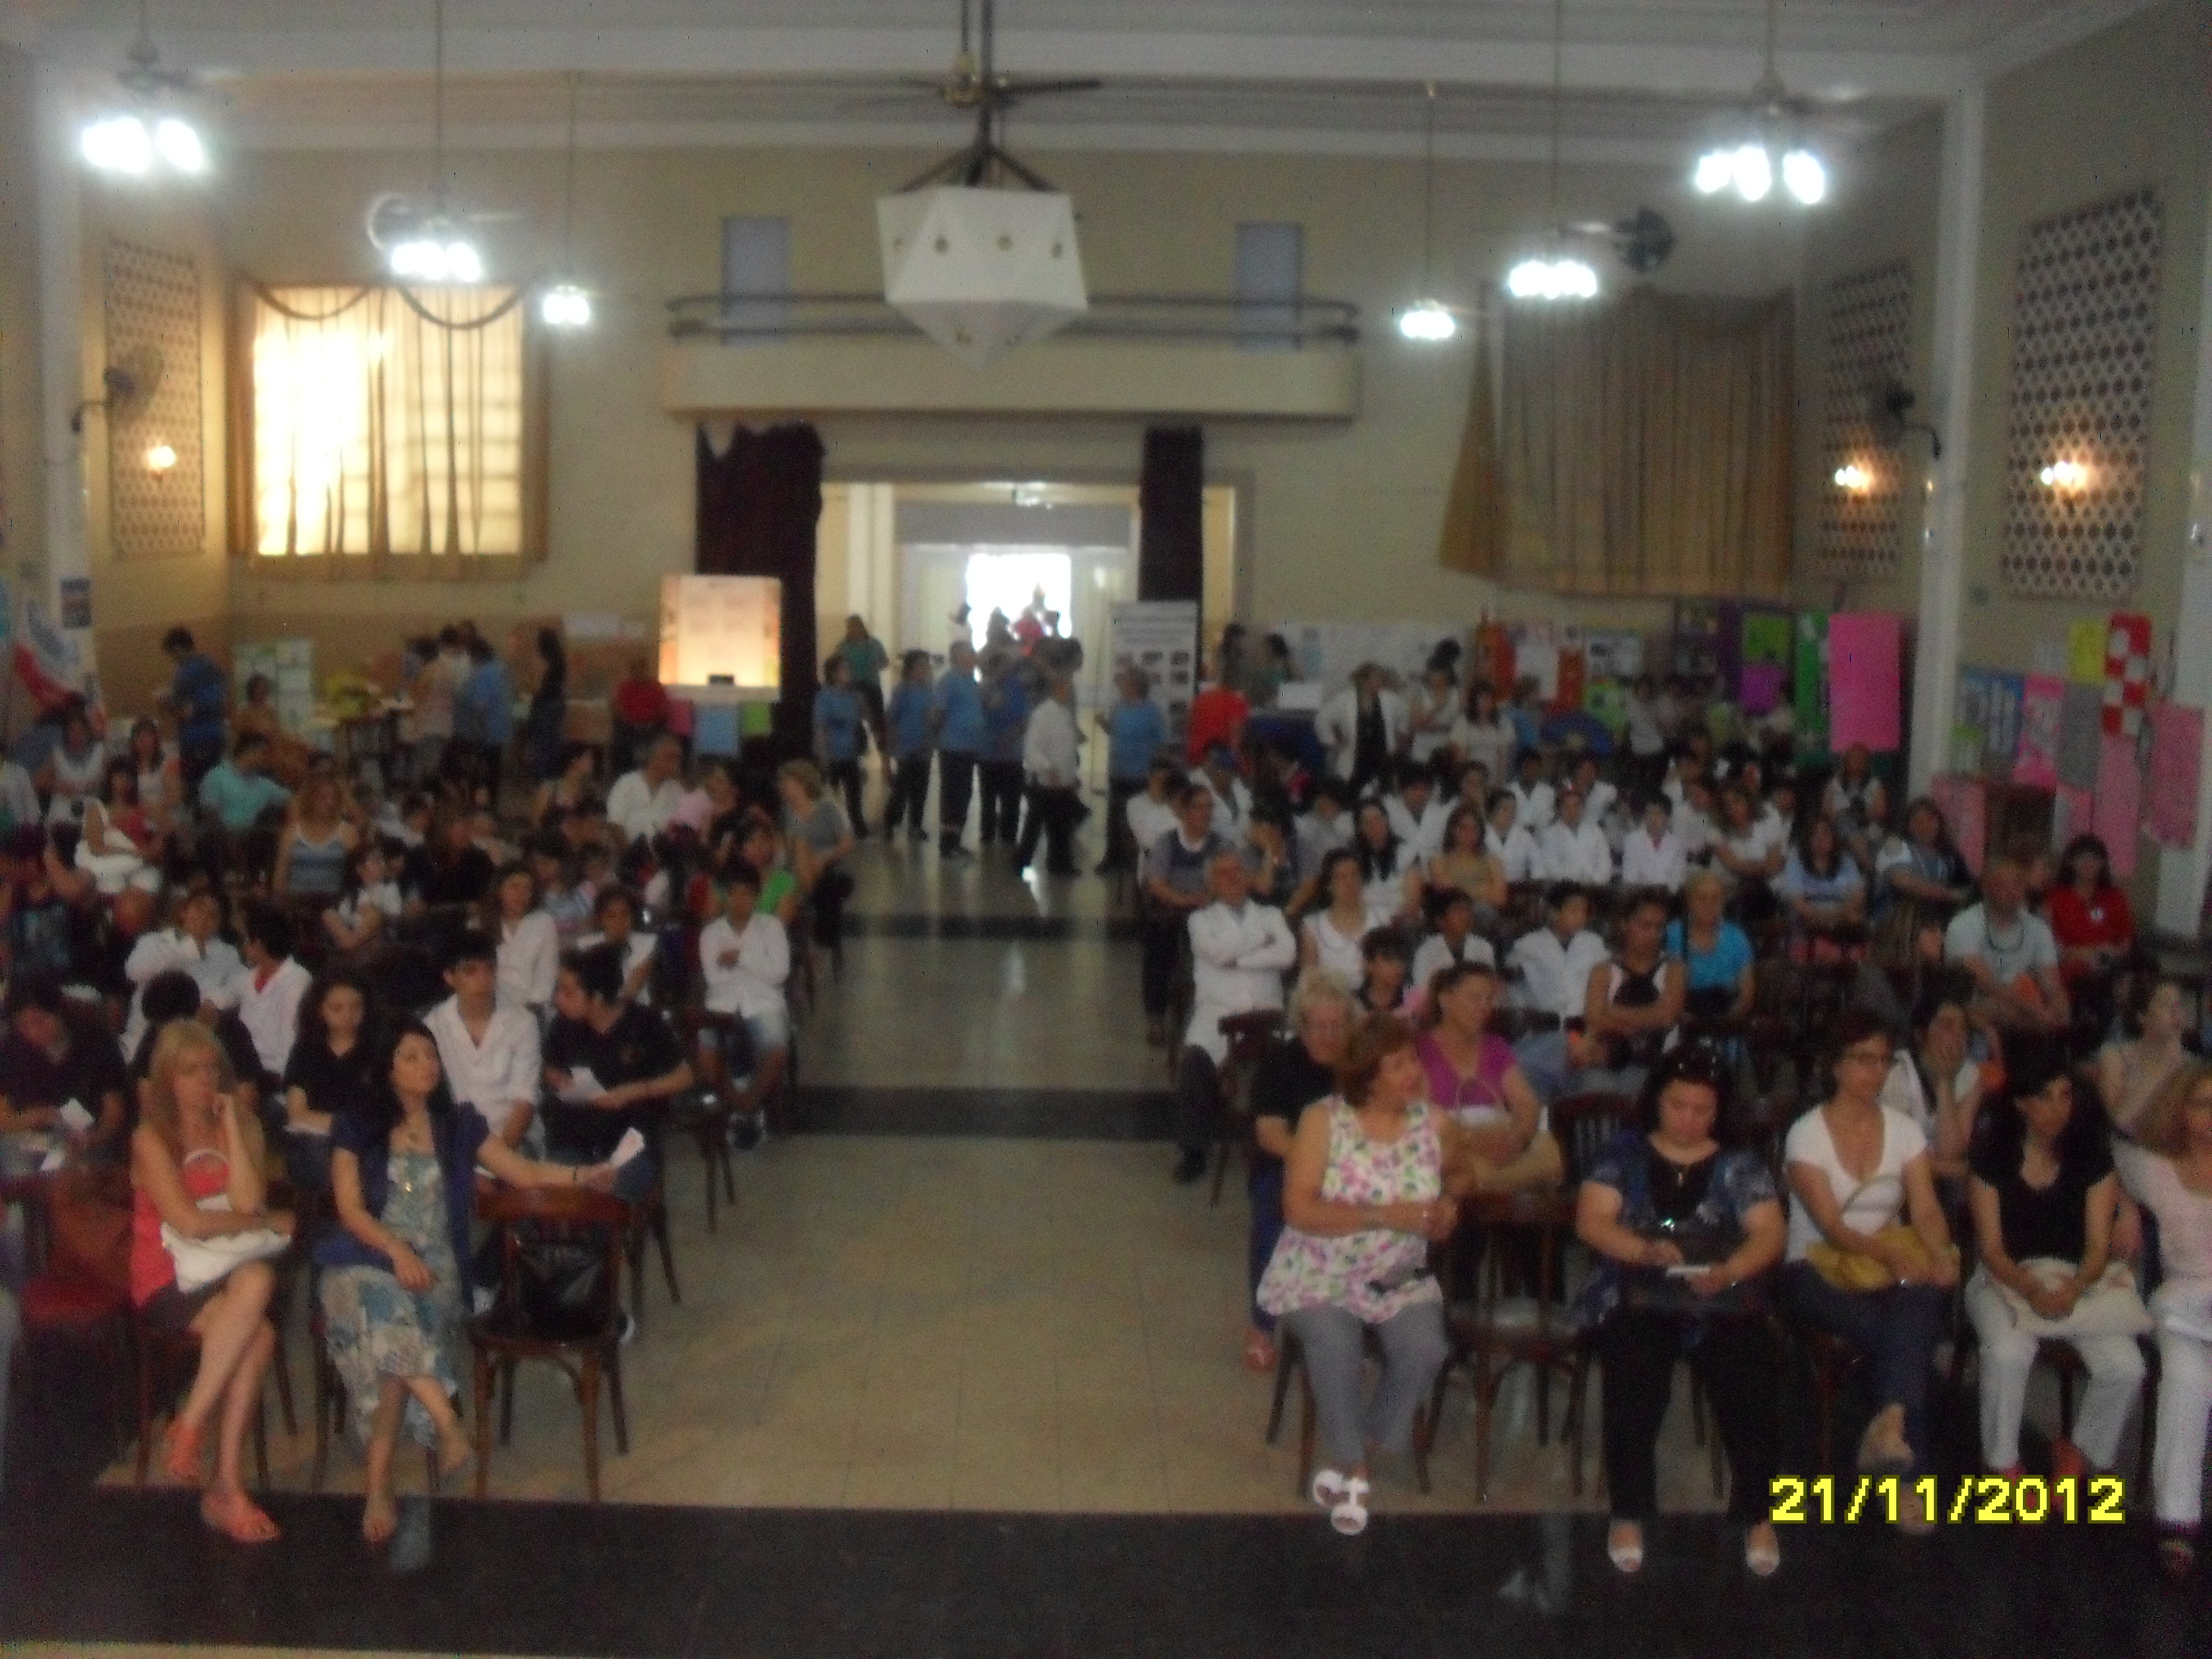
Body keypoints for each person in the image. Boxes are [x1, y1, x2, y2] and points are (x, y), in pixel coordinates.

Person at [322, 1021, 612, 1546]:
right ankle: (446, 1424)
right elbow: (350, 1210)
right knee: (381, 1302)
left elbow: (524, 1173)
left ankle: (381, 1485)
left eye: (431, 1055)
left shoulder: (457, 1125)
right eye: (411, 1057)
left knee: (391, 1333)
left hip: (433, 1269)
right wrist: (396, 1251)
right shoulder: (357, 1124)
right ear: (387, 1068)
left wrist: (583, 1176)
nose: (427, 1066)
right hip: (367, 1254)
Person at [1573, 1045, 1785, 1577]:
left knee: (1751, 1369)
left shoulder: (1739, 1162)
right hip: (1636, 1289)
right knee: (1633, 1366)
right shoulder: (1624, 1154)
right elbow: (1592, 1221)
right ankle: (1628, 1509)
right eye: (1678, 1107)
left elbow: (1769, 1231)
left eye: (1702, 1110)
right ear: (1657, 1102)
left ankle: (1757, 1511)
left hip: (1719, 1294)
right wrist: (1642, 1250)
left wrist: (1731, 1269)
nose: (1689, 1120)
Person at [1255, 1015, 1459, 1536]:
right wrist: (1382, 1216)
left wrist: (1451, 1203)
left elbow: (1462, 1171)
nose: (1413, 1072)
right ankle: (1356, 1469)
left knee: (1427, 1348)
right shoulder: (1323, 1121)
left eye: (1413, 1061)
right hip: (1320, 1272)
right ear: (1368, 1077)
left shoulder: (1434, 1123)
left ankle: (1364, 1442)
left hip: (1397, 1275)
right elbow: (1298, 1209)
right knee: (1335, 1343)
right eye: (1398, 1066)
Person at [1780, 1009, 1958, 1531]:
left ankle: (1889, 1428)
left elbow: (1926, 1210)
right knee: (1904, 1340)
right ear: (1835, 1066)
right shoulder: (1806, 1134)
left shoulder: (1903, 1130)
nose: (1876, 1072)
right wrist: (1891, 1256)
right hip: (1816, 1266)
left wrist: (1940, 1254)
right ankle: (1905, 1478)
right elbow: (1832, 1227)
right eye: (1863, 1060)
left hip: (1883, 1267)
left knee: (1923, 1297)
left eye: (1883, 1061)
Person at [129, 1020, 291, 1543]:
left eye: (211, 1069)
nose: (204, 1081)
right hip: (168, 1274)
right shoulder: (151, 1137)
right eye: (189, 1071)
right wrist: (263, 1222)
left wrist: (234, 1130)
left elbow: (247, 1200)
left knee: (256, 1285)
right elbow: (189, 1222)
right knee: (258, 1331)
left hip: (226, 1271)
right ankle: (225, 1487)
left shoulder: (241, 1124)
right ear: (167, 1080)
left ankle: (192, 1428)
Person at [1963, 1040, 2144, 1485]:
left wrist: (2075, 1288)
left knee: (2126, 1367)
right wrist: (2030, 1289)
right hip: (2005, 1277)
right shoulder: (1991, 1155)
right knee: (2008, 1351)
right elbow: (1991, 1249)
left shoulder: (2090, 1154)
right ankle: (2003, 1465)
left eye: (2065, 1095)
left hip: (2075, 1277)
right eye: (2045, 1097)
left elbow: (2098, 1246)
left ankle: (2081, 1453)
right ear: (2021, 1103)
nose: (2058, 1108)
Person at [2111, 1063, 2212, 1579]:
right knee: (2187, 1378)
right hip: (2183, 1302)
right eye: (2201, 1104)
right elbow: (2108, 1147)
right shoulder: (2155, 1168)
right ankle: (2177, 1520)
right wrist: (2127, 1208)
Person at [1244, 975, 1357, 1371]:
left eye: (1337, 1025)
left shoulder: (1359, 1065)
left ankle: (1357, 1322)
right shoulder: (1280, 1063)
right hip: (1288, 1167)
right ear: (1302, 1025)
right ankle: (1262, 1324)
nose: (1328, 1035)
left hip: (1354, 1170)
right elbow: (1270, 1134)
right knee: (1275, 1218)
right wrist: (1317, 1163)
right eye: (1318, 1026)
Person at [1173, 848, 1297, 1184]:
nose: (1232, 878)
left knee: (1294, 1060)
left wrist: (1238, 959)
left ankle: (1286, 1145)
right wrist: (1260, 940)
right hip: (1218, 1015)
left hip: (1267, 1015)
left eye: (1238, 871)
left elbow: (1287, 955)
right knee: (1195, 1063)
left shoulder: (1271, 914)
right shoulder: (1200, 921)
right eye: (1223, 873)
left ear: (1249, 877)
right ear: (1211, 883)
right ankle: (1194, 1152)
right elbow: (1216, 953)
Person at [542, 945, 692, 1202]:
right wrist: (554, 1077)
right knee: (553, 1188)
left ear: (597, 997)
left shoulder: (644, 1023)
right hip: (575, 1137)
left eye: (568, 992)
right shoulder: (562, 1026)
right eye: (558, 990)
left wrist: (636, 1091)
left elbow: (685, 1076)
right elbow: (549, 1066)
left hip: (630, 1143)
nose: (559, 999)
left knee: (605, 1193)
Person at [1417, 963, 1557, 1193]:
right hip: (1452, 1144)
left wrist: (1518, 1139)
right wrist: (1473, 1139)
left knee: (1549, 1156)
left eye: (1489, 999)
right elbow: (1420, 1114)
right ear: (1446, 1000)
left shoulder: (1496, 1047)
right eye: (1475, 998)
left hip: (1501, 1140)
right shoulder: (1420, 1050)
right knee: (1459, 1174)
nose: (1484, 1007)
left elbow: (1526, 1103)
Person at [424, 931, 540, 1149]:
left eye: (489, 970)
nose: (483, 980)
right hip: (458, 1142)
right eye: (471, 971)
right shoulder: (434, 1025)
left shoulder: (523, 1022)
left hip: (515, 1141)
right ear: (449, 977)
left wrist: (500, 1160)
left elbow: (524, 1102)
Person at [697, 861, 792, 1122]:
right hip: (722, 1005)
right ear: (725, 896)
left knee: (776, 1049)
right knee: (707, 1054)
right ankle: (740, 1105)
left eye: (747, 894)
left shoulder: (772, 927)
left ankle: (746, 1104)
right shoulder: (711, 934)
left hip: (763, 1002)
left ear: (757, 896)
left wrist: (740, 958)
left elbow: (780, 973)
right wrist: (758, 967)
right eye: (734, 894)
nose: (740, 901)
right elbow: (714, 978)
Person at [0, 973, 130, 1159]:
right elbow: (4, 1116)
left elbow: (114, 1111)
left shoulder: (96, 1043)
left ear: (58, 1011)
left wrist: (93, 1137)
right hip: (30, 1142)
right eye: (24, 1026)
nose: (34, 1032)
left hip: (89, 1140)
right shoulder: (12, 1048)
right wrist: (34, 1118)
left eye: (40, 1021)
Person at [1878, 979, 1995, 1180]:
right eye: (1947, 1027)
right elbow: (1898, 1158)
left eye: (1964, 1028)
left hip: (1942, 1179)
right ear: (1920, 1034)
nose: (1958, 1036)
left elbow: (1951, 1152)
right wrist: (1964, 1171)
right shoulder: (1894, 1075)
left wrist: (1945, 1082)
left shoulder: (1970, 1075)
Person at [1574, 890, 1685, 1097]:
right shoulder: (1603, 971)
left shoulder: (1674, 969)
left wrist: (1611, 1012)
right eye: (1645, 926)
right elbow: (1594, 1019)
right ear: (1624, 925)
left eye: (1659, 928)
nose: (1653, 935)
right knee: (1594, 1088)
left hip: (1657, 1065)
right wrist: (1648, 1017)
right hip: (1606, 1061)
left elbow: (1666, 1016)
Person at [1506, 883, 1611, 1101]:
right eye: (1573, 910)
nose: (1579, 917)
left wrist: (1591, 1036)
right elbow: (1514, 996)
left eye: (1583, 911)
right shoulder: (1528, 946)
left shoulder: (1594, 944)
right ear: (1554, 911)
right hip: (1545, 1034)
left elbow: (1606, 993)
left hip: (1587, 1033)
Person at [1944, 855, 2069, 1036]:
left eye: (2017, 885)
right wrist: (2034, 1010)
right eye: (2002, 885)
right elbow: (1986, 984)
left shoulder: (2038, 928)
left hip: (2026, 1005)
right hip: (1976, 1006)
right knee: (1998, 1008)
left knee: (2063, 1009)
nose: (2011, 892)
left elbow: (2051, 983)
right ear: (1986, 887)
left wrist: (2059, 1005)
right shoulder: (1963, 925)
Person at [1140, 786, 1225, 1048]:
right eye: (1199, 808)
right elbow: (1156, 883)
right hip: (1172, 910)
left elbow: (1229, 877)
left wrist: (1209, 897)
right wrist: (1186, 900)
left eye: (1209, 808)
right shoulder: (1167, 843)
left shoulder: (1220, 845)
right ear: (1185, 812)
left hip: (1209, 912)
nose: (1205, 814)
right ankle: (1156, 1017)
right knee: (1158, 951)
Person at [280, 969, 377, 1192]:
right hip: (316, 1140)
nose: (348, 1015)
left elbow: (378, 1115)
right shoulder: (306, 1051)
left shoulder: (378, 1049)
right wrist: (346, 1126)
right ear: (320, 1010)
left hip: (366, 1143)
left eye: (356, 1007)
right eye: (337, 1008)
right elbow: (297, 1112)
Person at [122, 887, 244, 1057]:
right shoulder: (154, 941)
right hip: (147, 1035)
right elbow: (134, 971)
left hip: (198, 1035)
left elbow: (240, 985)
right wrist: (188, 948)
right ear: (184, 912)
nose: (204, 918)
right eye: (199, 909)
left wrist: (215, 1002)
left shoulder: (228, 953)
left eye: (213, 915)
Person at [2097, 977, 2194, 1137]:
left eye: (2179, 1004)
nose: (2175, 1012)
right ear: (2142, 1016)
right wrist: (2164, 1064)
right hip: (2127, 1144)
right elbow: (2117, 1122)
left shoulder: (2193, 1065)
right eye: (2165, 1004)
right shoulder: (2115, 1056)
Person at [233, 904, 312, 1094]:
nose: (244, 946)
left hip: (275, 1075)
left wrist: (284, 1084)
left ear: (259, 944)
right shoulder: (248, 978)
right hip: (244, 1068)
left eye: (247, 940)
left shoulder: (298, 980)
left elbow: (291, 1037)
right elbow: (223, 996)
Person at [2046, 832, 2136, 996]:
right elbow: (2053, 947)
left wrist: (2110, 954)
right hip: (2072, 966)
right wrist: (2091, 953)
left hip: (2112, 964)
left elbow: (2125, 941)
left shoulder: (2115, 897)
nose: (2089, 863)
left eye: (2095, 858)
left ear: (2103, 863)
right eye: (2082, 858)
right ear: (2071, 862)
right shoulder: (2056, 898)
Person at [1101, 667, 1169, 874]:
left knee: (1136, 818)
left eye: (1125, 683)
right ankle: (1112, 859)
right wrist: (1103, 724)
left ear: (1135, 686)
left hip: (1140, 775)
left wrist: (1156, 772)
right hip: (1117, 772)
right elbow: (1113, 730)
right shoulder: (1118, 708)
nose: (1121, 687)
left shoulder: (1152, 712)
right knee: (1114, 817)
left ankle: (1134, 861)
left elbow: (1161, 744)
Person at [1666, 869, 1755, 1022]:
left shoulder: (1736, 937)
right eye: (1702, 898)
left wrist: (1721, 1024)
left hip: (1727, 1022)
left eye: (1716, 898)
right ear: (1689, 901)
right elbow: (1666, 992)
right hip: (1683, 1021)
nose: (1709, 905)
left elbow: (1746, 996)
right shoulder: (1673, 935)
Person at [1015, 676, 1081, 877]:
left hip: (1063, 779)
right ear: (1057, 689)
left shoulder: (1065, 713)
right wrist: (1047, 769)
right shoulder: (1043, 714)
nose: (1070, 691)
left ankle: (1059, 864)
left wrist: (1071, 775)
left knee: (1059, 824)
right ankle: (1024, 861)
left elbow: (1067, 747)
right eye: (1067, 687)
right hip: (1047, 780)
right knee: (1037, 824)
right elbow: (1032, 748)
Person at [1298, 849, 1390, 989]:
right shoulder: (1312, 926)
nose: (1350, 883)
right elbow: (1309, 979)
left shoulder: (1382, 919)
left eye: (1354, 875)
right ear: (1329, 885)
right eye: (1341, 877)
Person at [1314, 664, 1407, 800]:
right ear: (1363, 680)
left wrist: (1400, 740)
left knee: (1384, 797)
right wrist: (1333, 743)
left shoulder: (1390, 699)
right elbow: (1322, 719)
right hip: (1355, 759)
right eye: (1375, 678)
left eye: (1380, 679)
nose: (1379, 682)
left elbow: (1404, 717)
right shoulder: (1344, 700)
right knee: (1350, 796)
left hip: (1382, 758)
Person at [1875, 797, 1975, 921]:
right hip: (1898, 922)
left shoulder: (1950, 856)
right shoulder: (1896, 846)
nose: (1925, 826)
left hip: (1938, 923)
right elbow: (1903, 881)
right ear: (1908, 826)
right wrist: (1950, 895)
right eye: (1918, 822)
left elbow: (1967, 887)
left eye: (1930, 820)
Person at [1778, 816, 1866, 954]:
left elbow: (1858, 895)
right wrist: (1824, 917)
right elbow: (1797, 902)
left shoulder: (1846, 860)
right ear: (1808, 839)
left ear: (1833, 837)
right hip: (1810, 915)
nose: (1821, 839)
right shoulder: (1796, 861)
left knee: (1857, 921)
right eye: (1815, 835)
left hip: (1842, 913)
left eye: (1825, 833)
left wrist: (1838, 914)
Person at [932, 641, 985, 860]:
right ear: (957, 658)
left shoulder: (971, 681)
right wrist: (936, 736)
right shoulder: (949, 681)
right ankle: (948, 845)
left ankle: (956, 840)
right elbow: (938, 712)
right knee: (953, 795)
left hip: (969, 746)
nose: (974, 657)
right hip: (953, 746)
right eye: (969, 654)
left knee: (963, 793)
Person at [76, 758, 161, 896]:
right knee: (110, 885)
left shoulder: (144, 807)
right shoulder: (97, 809)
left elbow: (161, 834)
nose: (124, 781)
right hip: (110, 863)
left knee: (148, 885)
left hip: (142, 865)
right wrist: (133, 852)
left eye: (128, 777)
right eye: (119, 776)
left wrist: (153, 848)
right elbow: (97, 848)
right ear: (110, 779)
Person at [159, 626, 229, 790]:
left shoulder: (192, 670)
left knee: (200, 788)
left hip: (199, 739)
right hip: (209, 737)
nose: (173, 659)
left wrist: (169, 703)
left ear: (178, 648)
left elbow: (189, 709)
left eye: (172, 654)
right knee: (211, 786)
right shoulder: (208, 666)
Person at [487, 860, 557, 1020]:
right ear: (499, 890)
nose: (521, 895)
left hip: (533, 1009)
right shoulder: (481, 924)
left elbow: (546, 974)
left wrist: (530, 1010)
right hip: (492, 1008)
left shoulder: (544, 922)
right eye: (514, 887)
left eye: (527, 889)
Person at [272, 772, 357, 901]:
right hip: (296, 903)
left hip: (334, 903)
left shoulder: (348, 833)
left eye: (333, 798)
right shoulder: (292, 833)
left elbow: (355, 877)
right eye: (322, 798)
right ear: (310, 799)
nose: (329, 803)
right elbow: (279, 879)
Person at [884, 651, 937, 847]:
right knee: (902, 787)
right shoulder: (902, 691)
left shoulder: (929, 690)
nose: (925, 670)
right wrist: (891, 747)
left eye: (926, 666)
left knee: (921, 787)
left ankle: (916, 824)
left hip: (925, 744)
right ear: (911, 669)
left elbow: (934, 716)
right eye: (921, 666)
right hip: (906, 744)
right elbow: (892, 717)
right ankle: (891, 821)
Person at [453, 637, 516, 801]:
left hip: (485, 732)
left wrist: (479, 731)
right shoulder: (499, 668)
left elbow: (481, 706)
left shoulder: (484, 674)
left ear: (475, 655)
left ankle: (479, 803)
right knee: (493, 770)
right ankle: (491, 802)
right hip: (499, 729)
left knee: (480, 772)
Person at [977, 656, 1030, 848]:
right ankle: (987, 834)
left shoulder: (1016, 688)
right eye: (1000, 667)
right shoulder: (983, 688)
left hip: (1012, 754)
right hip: (988, 752)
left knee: (1012, 798)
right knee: (988, 798)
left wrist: (1011, 738)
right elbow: (978, 713)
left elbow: (1024, 718)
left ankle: (1009, 835)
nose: (1004, 671)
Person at [577, 884, 658, 1008]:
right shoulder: (584, 947)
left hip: (636, 1010)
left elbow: (632, 989)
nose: (619, 922)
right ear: (600, 919)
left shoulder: (649, 944)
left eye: (625, 914)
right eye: (611, 916)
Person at [813, 654, 868, 836]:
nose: (849, 673)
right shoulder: (825, 697)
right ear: (834, 673)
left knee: (854, 793)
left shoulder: (853, 697)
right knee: (829, 795)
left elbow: (860, 721)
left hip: (850, 753)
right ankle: (828, 829)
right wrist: (823, 756)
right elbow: (820, 727)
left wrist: (861, 704)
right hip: (832, 753)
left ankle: (857, 825)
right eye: (845, 670)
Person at [1408, 888, 1496, 1000]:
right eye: (1459, 911)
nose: (1466, 916)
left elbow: (1490, 985)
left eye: (1468, 910)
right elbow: (1423, 990)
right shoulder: (1426, 952)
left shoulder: (1483, 947)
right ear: (1441, 920)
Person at [197, 733, 291, 837]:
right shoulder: (216, 777)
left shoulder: (264, 784)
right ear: (250, 751)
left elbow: (291, 800)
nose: (265, 759)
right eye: (263, 754)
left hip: (250, 838)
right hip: (219, 838)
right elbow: (209, 813)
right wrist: (224, 838)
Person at [325, 839, 403, 958]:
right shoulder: (347, 897)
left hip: (382, 949)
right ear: (360, 868)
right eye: (376, 860)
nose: (382, 864)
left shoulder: (389, 887)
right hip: (349, 950)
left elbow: (396, 917)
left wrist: (379, 916)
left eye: (382, 860)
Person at [606, 735, 686, 848]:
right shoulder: (627, 783)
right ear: (654, 757)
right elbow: (614, 823)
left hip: (664, 854)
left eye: (677, 758)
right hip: (628, 853)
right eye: (670, 757)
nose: (675, 763)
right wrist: (632, 853)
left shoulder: (677, 790)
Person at [1425, 804, 1505, 913]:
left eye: (1474, 828)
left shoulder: (1492, 861)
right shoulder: (1439, 860)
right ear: (1452, 830)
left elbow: (1500, 898)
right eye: (1463, 828)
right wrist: (1484, 889)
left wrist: (1462, 888)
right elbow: (1448, 892)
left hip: (1486, 913)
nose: (1469, 833)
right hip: (1453, 914)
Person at [1349, 800, 1420, 922]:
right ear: (1360, 828)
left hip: (1402, 922)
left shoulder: (1407, 852)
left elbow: (1413, 902)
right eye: (1367, 822)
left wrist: (1391, 923)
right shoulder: (1352, 859)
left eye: (1378, 819)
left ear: (1387, 820)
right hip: (1365, 922)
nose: (1374, 826)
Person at [1824, 744, 1890, 871]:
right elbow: (1825, 815)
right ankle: (1871, 868)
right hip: (1840, 827)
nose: (1857, 762)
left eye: (1861, 759)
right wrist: (1844, 812)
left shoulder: (1874, 785)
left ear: (1866, 763)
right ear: (1846, 762)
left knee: (1866, 837)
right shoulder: (1834, 784)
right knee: (1847, 826)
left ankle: (1869, 868)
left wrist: (1863, 813)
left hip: (1867, 827)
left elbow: (1882, 813)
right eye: (1853, 758)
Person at [1538, 782, 1614, 885]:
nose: (1572, 811)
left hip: (1595, 887)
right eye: (1567, 807)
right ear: (1559, 809)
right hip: (1565, 888)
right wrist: (1577, 880)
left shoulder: (1596, 831)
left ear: (1582, 808)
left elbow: (1605, 863)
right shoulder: (1550, 834)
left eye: (1576, 806)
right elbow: (1552, 868)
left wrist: (1594, 881)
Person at [836, 616, 891, 750]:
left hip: (872, 685)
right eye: (851, 628)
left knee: (878, 722)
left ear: (862, 627)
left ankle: (884, 754)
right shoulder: (844, 647)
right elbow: (837, 665)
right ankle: (857, 749)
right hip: (852, 686)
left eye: (856, 627)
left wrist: (877, 666)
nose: (854, 630)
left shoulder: (874, 644)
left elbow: (885, 661)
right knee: (854, 719)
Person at [609, 656, 670, 777]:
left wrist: (650, 724)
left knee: (657, 742)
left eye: (641, 669)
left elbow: (663, 711)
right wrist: (632, 724)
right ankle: (624, 776)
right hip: (629, 727)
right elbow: (618, 710)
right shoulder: (625, 688)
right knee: (622, 744)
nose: (638, 672)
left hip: (652, 727)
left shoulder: (656, 688)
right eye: (635, 669)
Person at [524, 626, 568, 785]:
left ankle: (542, 781)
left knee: (541, 744)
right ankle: (551, 779)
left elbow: (538, 688)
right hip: (557, 703)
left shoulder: (544, 662)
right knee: (552, 743)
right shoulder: (560, 660)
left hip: (544, 705)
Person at [1382, 765, 1449, 864]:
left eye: (1424, 789)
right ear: (1402, 790)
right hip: (1399, 867)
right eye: (1415, 788)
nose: (1420, 794)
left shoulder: (1439, 814)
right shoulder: (1388, 811)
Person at [1456, 682, 1514, 787]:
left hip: (1495, 775)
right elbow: (1461, 754)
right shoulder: (1464, 722)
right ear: (1474, 701)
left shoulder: (1503, 722)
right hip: (1472, 775)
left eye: (1488, 699)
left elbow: (1503, 755)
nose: (1484, 703)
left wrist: (1499, 783)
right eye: (1481, 699)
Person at [1353, 926, 1412, 1020]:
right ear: (1369, 963)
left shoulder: (1413, 1003)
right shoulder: (1353, 1004)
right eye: (1389, 960)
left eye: (1402, 959)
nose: (1398, 967)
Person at [1483, 789, 1540, 885]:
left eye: (1513, 809)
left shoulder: (1524, 835)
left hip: (1518, 888)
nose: (1510, 813)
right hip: (1489, 887)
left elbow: (1538, 864)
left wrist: (1535, 884)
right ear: (1492, 811)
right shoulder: (1482, 834)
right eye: (1505, 809)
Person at [1506, 749, 1556, 836]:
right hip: (1515, 837)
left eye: (1534, 767)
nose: (1531, 770)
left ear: (1540, 769)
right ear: (1521, 768)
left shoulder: (1549, 792)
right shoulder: (1510, 790)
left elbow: (1550, 818)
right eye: (1527, 766)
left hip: (1542, 837)